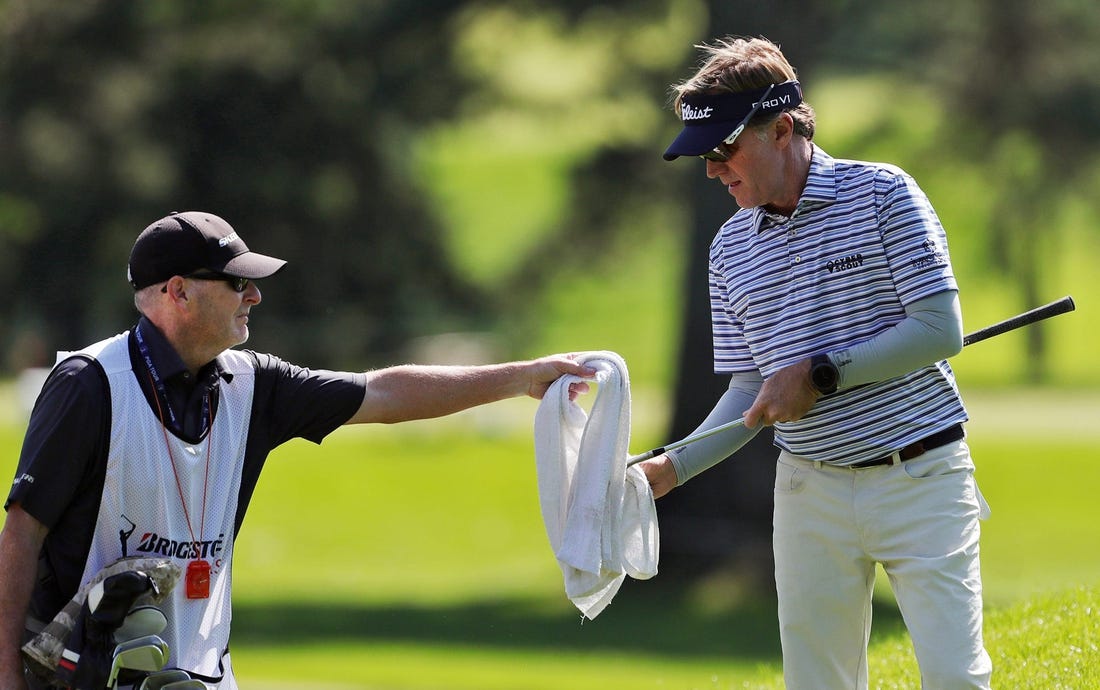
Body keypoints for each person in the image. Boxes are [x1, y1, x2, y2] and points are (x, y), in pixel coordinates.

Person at [0, 210, 595, 689]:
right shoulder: (88, 385)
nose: (253, 296)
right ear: (177, 292)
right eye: (236, 281)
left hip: (206, 677)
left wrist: (522, 378)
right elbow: (21, 537)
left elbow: (383, 392)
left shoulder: (254, 383)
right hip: (85, 677)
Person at [640, 36, 992, 688]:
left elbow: (940, 330)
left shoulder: (885, 194)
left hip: (920, 477)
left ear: (781, 129)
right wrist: (673, 466)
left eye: (723, 150)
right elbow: (751, 386)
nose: (713, 171)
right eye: (702, 156)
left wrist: (821, 373)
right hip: (808, 491)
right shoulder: (727, 249)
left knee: (954, 677)